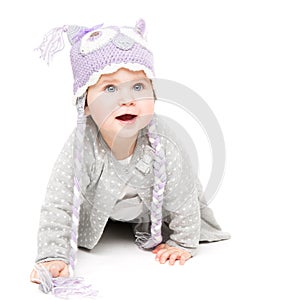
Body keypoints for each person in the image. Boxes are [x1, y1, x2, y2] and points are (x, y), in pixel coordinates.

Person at [30, 19, 230, 284]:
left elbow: (183, 193)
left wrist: (183, 242)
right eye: (110, 88)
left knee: (183, 188)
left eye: (138, 87)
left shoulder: (163, 140)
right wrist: (53, 255)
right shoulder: (82, 143)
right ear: (85, 105)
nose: (127, 99)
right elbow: (60, 200)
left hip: (150, 212)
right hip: (104, 208)